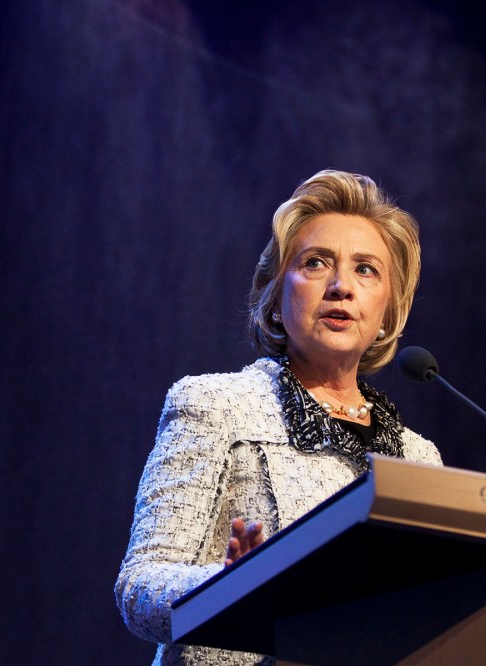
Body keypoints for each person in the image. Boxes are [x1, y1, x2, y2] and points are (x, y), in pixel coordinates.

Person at [114, 170, 442, 665]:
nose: (340, 287)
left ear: (388, 308)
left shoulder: (419, 459)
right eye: (315, 263)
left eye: (366, 270)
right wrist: (229, 587)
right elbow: (139, 587)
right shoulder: (215, 405)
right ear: (276, 292)